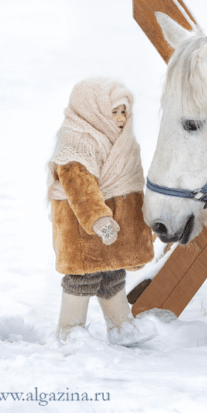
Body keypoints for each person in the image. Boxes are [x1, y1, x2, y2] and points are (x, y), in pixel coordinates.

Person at [47, 77, 155, 345]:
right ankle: (69, 331)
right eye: (113, 112)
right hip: (82, 225)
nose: (120, 119)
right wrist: (99, 218)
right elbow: (78, 185)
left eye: (123, 112)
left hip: (114, 227)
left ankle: (121, 326)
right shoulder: (76, 141)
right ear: (91, 110)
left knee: (112, 274)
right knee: (82, 276)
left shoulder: (120, 138)